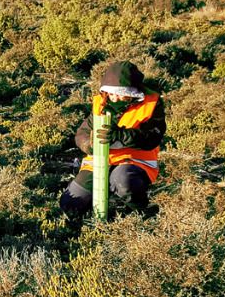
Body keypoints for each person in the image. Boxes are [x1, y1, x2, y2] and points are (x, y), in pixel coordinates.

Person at [59, 60, 166, 216]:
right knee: (70, 204)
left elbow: (152, 138)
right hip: (99, 161)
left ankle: (143, 213)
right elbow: (82, 133)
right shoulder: (101, 102)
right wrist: (90, 145)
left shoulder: (150, 105)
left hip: (134, 161)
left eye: (121, 93)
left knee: (122, 181)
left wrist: (120, 135)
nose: (114, 98)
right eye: (111, 92)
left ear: (132, 92)